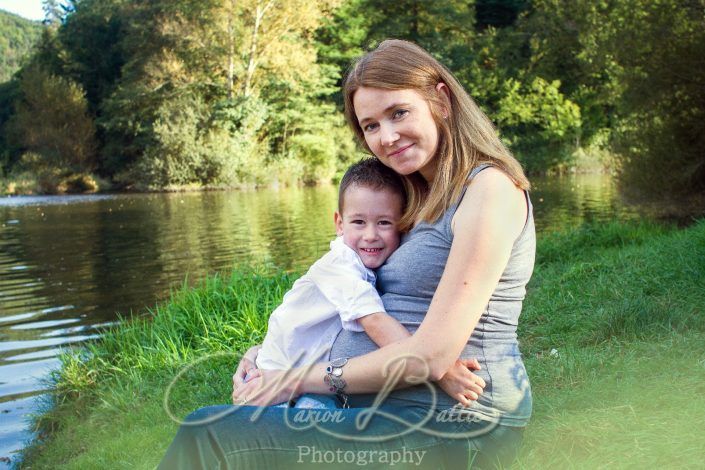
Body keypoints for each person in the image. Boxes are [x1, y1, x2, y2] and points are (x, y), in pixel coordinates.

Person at [159, 39, 534, 469]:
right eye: (370, 125)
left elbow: (430, 357)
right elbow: (355, 293)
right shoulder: (416, 193)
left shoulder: (489, 191)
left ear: (440, 99)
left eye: (398, 113)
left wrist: (294, 379)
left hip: (451, 423)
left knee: (208, 432)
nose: (386, 137)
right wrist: (271, 352)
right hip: (383, 407)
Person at [249, 158, 479, 408]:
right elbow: (376, 323)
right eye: (358, 222)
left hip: (307, 376)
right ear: (339, 224)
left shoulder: (363, 264)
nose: (370, 235)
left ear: (402, 225)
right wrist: (441, 369)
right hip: (278, 381)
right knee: (313, 428)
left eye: (384, 223)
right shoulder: (339, 267)